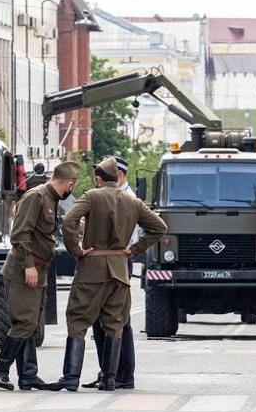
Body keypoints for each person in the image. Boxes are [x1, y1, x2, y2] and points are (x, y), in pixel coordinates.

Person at [47, 157, 167, 392]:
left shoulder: (92, 195)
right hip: (120, 269)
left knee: (78, 320)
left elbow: (69, 220)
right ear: (118, 177)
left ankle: (71, 377)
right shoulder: (133, 202)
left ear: (98, 179)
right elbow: (160, 227)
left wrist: (76, 250)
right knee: (114, 323)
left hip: (91, 267)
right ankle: (110, 378)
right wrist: (133, 249)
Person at [0, 161, 81, 391]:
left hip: (38, 269)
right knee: (25, 322)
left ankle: (28, 374)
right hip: (24, 269)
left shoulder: (50, 199)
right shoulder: (37, 196)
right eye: (73, 185)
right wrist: (29, 265)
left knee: (30, 323)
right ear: (70, 184)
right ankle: (1, 371)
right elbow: (20, 234)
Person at [83, 156, 138, 390]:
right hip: (107, 260)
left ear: (119, 175)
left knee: (119, 320)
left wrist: (130, 250)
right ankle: (107, 371)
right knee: (100, 320)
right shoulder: (109, 196)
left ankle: (123, 374)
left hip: (118, 261)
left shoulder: (129, 199)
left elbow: (137, 235)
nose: (98, 183)